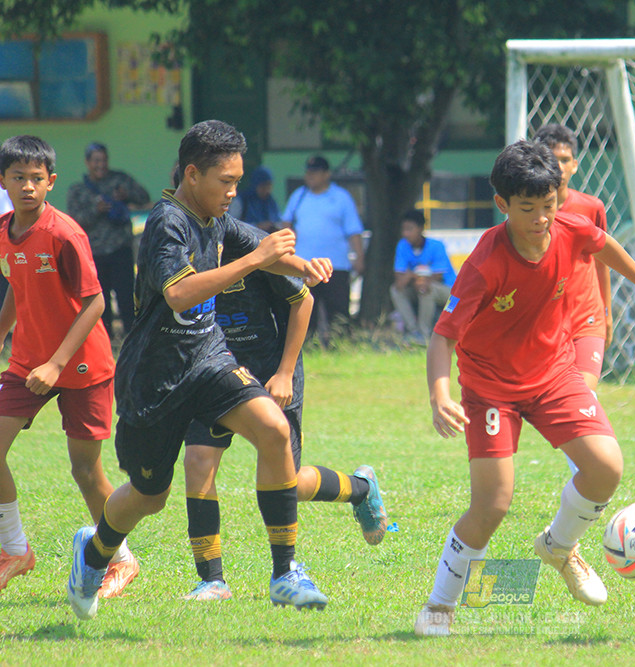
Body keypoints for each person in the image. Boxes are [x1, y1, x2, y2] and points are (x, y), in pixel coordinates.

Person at [414, 140, 635, 636]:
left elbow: (602, 244)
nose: (542, 218)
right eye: (528, 208)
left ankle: (558, 546)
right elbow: (442, 338)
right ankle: (440, 606)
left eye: (549, 204)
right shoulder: (485, 264)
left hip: (552, 374)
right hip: (492, 388)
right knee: (493, 505)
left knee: (606, 467)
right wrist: (440, 394)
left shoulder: (569, 226)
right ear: (502, 205)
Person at [65, 120, 334, 621]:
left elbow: (268, 249)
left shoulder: (216, 217)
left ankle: (285, 573)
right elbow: (180, 293)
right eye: (224, 181)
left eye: (237, 180)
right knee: (149, 496)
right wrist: (255, 260)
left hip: (209, 361)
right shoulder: (168, 222)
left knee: (275, 431)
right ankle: (93, 552)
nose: (233, 191)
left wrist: (303, 266)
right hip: (154, 379)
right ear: (192, 175)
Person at [182, 222, 387, 601]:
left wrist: (286, 372)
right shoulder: (179, 246)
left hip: (271, 371)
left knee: (286, 483)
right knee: (197, 460)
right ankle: (212, 580)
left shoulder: (244, 240)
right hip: (215, 369)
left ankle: (360, 488)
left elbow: (303, 300)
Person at [0, 135, 138, 599]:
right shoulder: (4, 230)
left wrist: (57, 364)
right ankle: (15, 550)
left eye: (36, 179)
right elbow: (18, 288)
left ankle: (120, 558)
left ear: (51, 182)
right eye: (18, 177)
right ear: (3, 181)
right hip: (26, 364)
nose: (27, 187)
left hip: (81, 366)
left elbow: (95, 302)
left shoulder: (64, 233)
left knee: (85, 471)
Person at [533, 123, 612, 392]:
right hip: (547, 322)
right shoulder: (529, 214)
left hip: (586, 317)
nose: (560, 167)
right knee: (552, 402)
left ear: (575, 164)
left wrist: (607, 312)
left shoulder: (592, 208)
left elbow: (603, 260)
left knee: (583, 394)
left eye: (565, 160)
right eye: (552, 160)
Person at [66, 142, 151, 338]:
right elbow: (74, 220)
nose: (101, 165)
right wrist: (96, 210)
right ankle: (107, 341)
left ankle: (131, 339)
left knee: (126, 298)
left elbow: (143, 196)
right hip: (94, 253)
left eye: (104, 160)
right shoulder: (78, 190)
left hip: (120, 248)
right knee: (99, 302)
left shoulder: (120, 180)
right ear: (87, 163)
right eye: (96, 161)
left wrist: (126, 195)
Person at [282, 155, 365, 346]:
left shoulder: (341, 197)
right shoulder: (299, 196)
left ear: (327, 174)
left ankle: (340, 345)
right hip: (304, 266)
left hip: (336, 265)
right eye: (308, 172)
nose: (310, 176)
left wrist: (359, 257)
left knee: (338, 309)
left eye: (316, 172)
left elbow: (354, 231)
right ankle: (307, 346)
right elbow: (287, 224)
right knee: (305, 308)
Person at [389, 209, 456, 343]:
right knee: (395, 290)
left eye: (410, 229)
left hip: (450, 293)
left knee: (426, 289)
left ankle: (423, 334)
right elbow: (399, 282)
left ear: (420, 229)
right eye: (404, 229)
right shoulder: (402, 246)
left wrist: (411, 275)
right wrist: (414, 276)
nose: (405, 233)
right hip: (418, 286)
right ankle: (412, 331)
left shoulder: (436, 246)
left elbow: (438, 276)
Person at [229, 165, 281, 232]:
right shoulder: (242, 200)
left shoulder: (271, 202)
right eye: (263, 186)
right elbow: (231, 226)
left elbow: (279, 221)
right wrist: (257, 226)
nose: (267, 190)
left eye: (269, 186)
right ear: (255, 184)